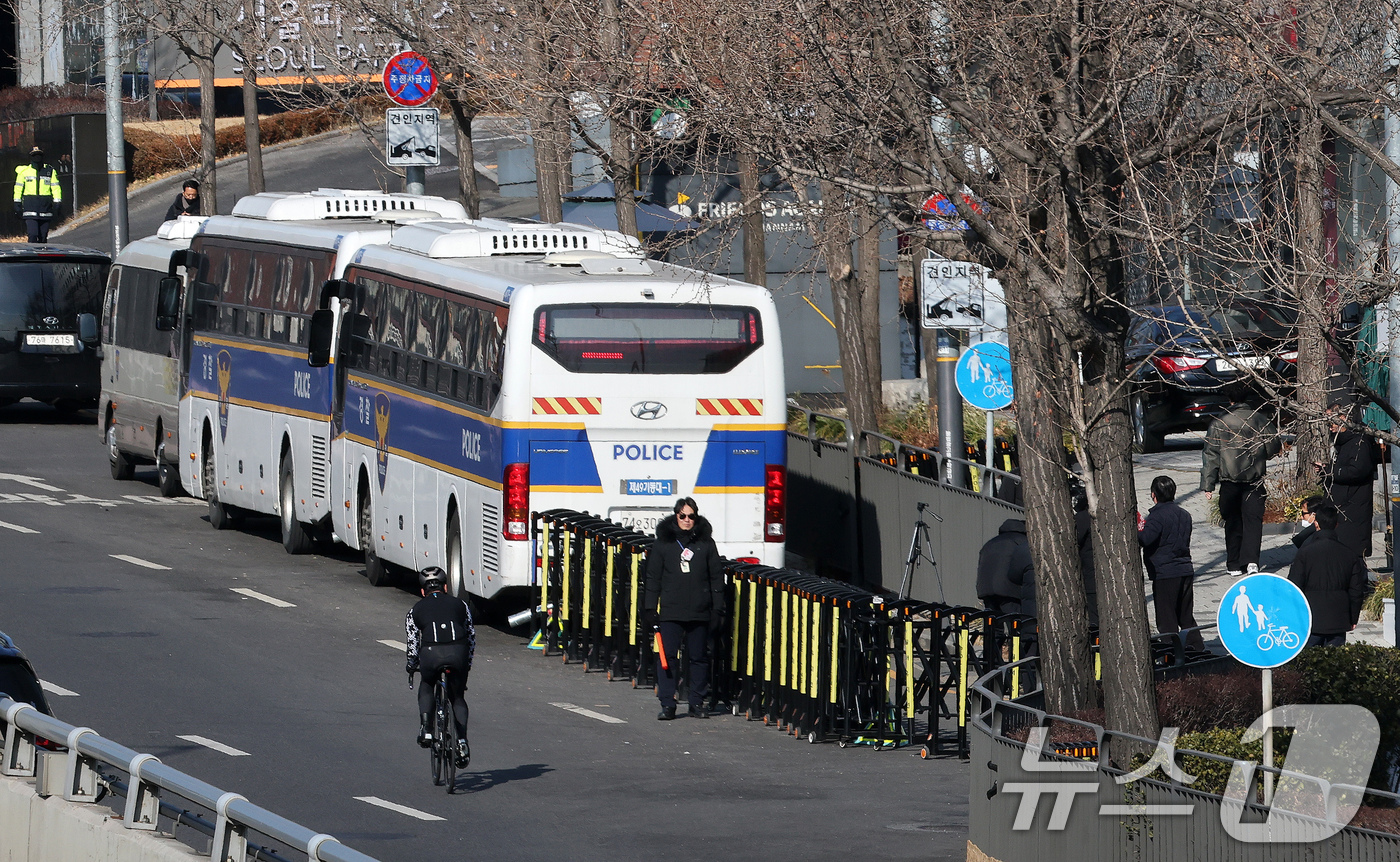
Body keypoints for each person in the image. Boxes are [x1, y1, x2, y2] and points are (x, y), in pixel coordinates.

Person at [643, 497, 724, 720]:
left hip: (699, 610)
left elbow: (716, 577)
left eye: (691, 516)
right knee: (667, 657)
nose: (687, 520)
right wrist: (650, 608)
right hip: (671, 611)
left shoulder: (706, 543)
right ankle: (668, 703)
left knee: (698, 657)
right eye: (683, 516)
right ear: (676, 516)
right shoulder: (663, 544)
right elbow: (653, 577)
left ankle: (697, 702)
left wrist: (718, 609)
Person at [1200, 402, 1283, 576]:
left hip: (1229, 480)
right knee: (1253, 521)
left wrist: (1208, 484)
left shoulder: (1219, 423)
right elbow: (1273, 445)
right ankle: (1252, 561)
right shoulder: (1260, 420)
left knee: (1232, 522)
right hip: (1254, 479)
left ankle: (1233, 563)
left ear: (1230, 402)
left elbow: (1211, 455)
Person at [405, 567, 474, 768]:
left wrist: (411, 664)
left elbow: (412, 642)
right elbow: (471, 636)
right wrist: (466, 665)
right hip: (458, 653)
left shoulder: (415, 610)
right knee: (457, 697)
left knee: (426, 684)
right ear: (445, 587)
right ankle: (462, 742)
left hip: (430, 655)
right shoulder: (460, 604)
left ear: (422, 591)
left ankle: (426, 729)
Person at [1287, 502, 1367, 647]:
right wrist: (1353, 617)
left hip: (1312, 618)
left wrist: (1294, 616)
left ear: (1316, 524)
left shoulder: (1305, 553)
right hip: (1339, 618)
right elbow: (1356, 591)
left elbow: (1294, 586)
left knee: (1310, 664)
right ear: (1336, 525)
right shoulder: (1349, 555)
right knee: (1335, 663)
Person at [1139, 475, 1204, 651]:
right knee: (1185, 615)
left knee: (1166, 618)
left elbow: (1145, 539)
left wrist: (1137, 528)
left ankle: (1170, 652)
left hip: (1165, 572)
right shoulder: (1185, 514)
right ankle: (1197, 647)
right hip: (1185, 569)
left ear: (1154, 495)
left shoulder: (1157, 517)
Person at [1317, 406, 1382, 560]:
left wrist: (1330, 471)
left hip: (1353, 508)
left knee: (1352, 555)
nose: (1330, 426)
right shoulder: (1344, 442)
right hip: (1343, 506)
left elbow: (1356, 471)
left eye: (1332, 421)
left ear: (1344, 419)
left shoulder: (1359, 442)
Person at [976, 518, 1035, 618]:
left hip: (986, 589)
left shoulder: (989, 543)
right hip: (1009, 590)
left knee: (993, 625)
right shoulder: (1022, 542)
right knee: (1015, 622)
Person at [12, 147, 61, 243]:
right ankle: (32, 255)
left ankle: (43, 255)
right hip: (30, 209)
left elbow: (56, 188)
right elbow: (18, 188)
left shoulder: (50, 171)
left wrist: (57, 203)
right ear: (31, 157)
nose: (37, 157)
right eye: (34, 155)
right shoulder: (24, 172)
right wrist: (17, 203)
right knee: (33, 235)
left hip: (45, 209)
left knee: (43, 237)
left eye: (39, 155)